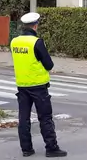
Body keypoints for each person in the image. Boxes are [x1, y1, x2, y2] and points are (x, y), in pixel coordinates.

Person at [10, 12, 67, 158]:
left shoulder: (14, 42)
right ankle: (51, 148)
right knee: (45, 118)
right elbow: (49, 65)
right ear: (35, 25)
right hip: (38, 86)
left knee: (24, 119)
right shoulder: (37, 42)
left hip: (22, 86)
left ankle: (26, 149)